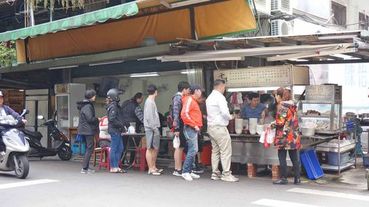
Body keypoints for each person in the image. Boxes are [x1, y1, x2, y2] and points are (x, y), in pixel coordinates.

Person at [206, 79, 239, 182]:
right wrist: (231, 117)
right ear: (221, 86)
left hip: (211, 127)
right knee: (225, 151)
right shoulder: (220, 97)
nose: (224, 90)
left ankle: (215, 173)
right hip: (220, 128)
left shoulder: (209, 97)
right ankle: (226, 174)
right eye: (224, 87)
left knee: (215, 151)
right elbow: (225, 113)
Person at [273, 88, 301, 185]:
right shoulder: (293, 105)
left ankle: (284, 178)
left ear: (280, 97)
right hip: (294, 135)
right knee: (294, 157)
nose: (276, 98)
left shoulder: (282, 106)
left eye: (276, 96)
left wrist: (272, 125)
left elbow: (280, 122)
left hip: (284, 136)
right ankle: (297, 178)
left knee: (282, 156)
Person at [180, 85, 203, 181]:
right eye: (200, 91)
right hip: (190, 128)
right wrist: (194, 125)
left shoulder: (192, 101)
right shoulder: (190, 100)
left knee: (193, 149)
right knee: (193, 150)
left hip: (193, 128)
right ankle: (185, 171)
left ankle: (189, 171)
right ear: (196, 91)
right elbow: (184, 114)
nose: (201, 93)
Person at [171, 81, 190, 176]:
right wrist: (177, 128)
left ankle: (178, 168)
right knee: (179, 147)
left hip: (180, 125)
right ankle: (177, 168)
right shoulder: (178, 98)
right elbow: (176, 113)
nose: (189, 91)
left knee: (180, 147)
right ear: (184, 89)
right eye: (188, 89)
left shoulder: (179, 97)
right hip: (179, 125)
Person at [77, 89, 99, 174]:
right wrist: (97, 119)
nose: (95, 97)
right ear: (91, 96)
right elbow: (90, 119)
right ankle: (85, 168)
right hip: (88, 130)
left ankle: (85, 167)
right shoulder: (88, 106)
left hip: (84, 129)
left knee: (88, 148)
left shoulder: (84, 105)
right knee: (90, 148)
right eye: (94, 95)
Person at [0, 91, 25, 160]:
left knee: (18, 133)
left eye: (1, 98)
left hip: (8, 127)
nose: (0, 100)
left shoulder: (6, 108)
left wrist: (21, 118)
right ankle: (1, 151)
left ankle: (19, 148)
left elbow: (14, 113)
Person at [121, 92, 144, 166]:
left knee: (123, 145)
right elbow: (141, 118)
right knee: (133, 146)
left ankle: (121, 161)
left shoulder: (125, 103)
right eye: (142, 99)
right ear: (138, 98)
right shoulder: (136, 106)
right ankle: (131, 162)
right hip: (133, 127)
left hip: (123, 127)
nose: (142, 101)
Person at [144, 84, 162, 176]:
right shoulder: (149, 102)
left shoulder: (150, 101)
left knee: (154, 148)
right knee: (150, 148)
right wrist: (154, 128)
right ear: (155, 91)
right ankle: (151, 168)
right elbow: (149, 117)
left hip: (152, 128)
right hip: (151, 128)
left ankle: (153, 166)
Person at [106, 88, 126, 173]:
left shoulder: (115, 105)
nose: (119, 97)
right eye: (118, 95)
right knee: (114, 148)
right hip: (114, 130)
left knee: (120, 147)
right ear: (115, 96)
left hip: (117, 130)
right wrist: (121, 125)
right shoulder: (113, 106)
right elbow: (112, 119)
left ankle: (116, 166)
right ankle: (113, 166)